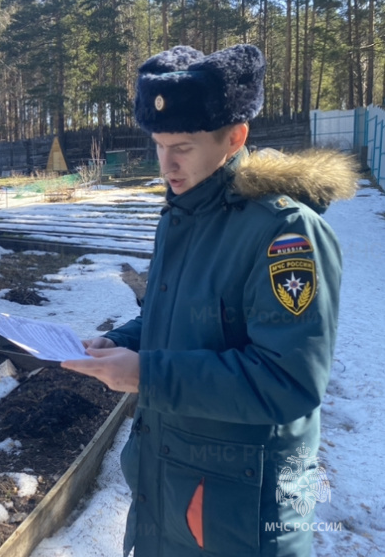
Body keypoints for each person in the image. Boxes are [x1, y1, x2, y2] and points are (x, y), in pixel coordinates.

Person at [62, 44, 357, 556]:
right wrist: (119, 342)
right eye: (158, 144)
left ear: (235, 136)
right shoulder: (183, 216)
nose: (167, 163)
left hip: (241, 518)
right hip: (170, 494)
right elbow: (176, 321)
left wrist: (146, 374)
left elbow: (288, 381)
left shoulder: (284, 234)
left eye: (184, 146)